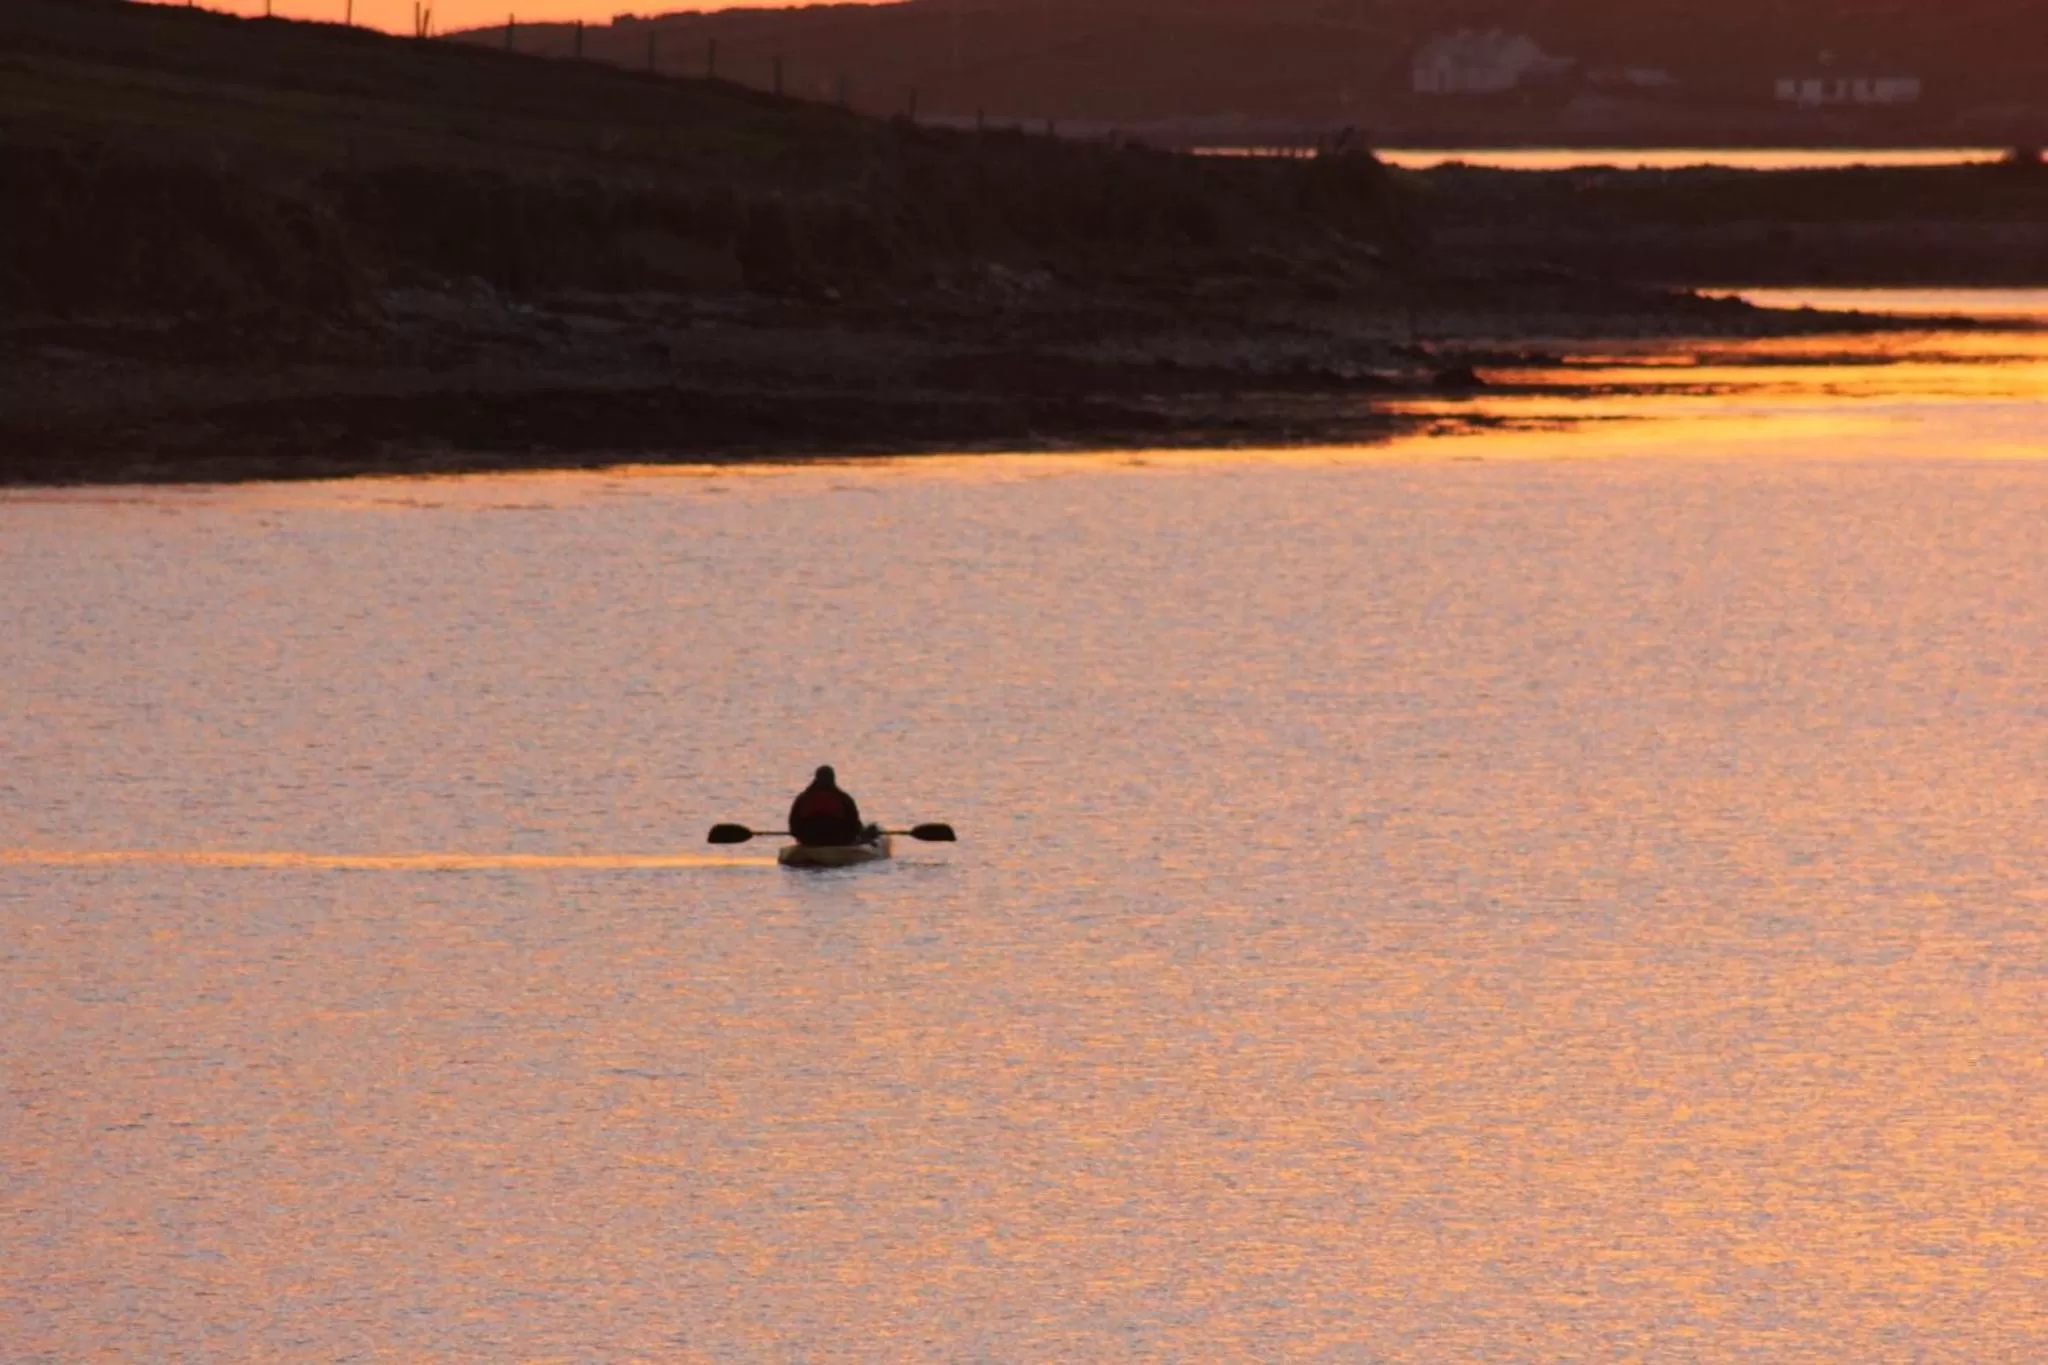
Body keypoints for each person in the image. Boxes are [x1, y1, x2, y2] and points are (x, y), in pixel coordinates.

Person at [788, 765, 869, 847]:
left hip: (809, 840)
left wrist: (800, 836)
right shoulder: (843, 799)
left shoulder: (803, 798)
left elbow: (793, 825)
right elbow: (854, 824)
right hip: (836, 840)